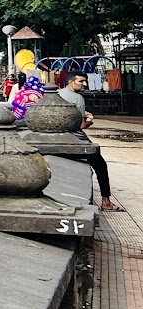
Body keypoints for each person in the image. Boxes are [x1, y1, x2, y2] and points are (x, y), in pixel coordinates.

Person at [61, 74, 116, 211]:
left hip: (59, 137)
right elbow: (81, 126)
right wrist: (90, 120)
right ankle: (106, 202)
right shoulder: (78, 98)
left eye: (85, 81)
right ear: (71, 82)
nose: (84, 84)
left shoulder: (58, 93)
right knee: (101, 166)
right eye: (81, 81)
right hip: (78, 139)